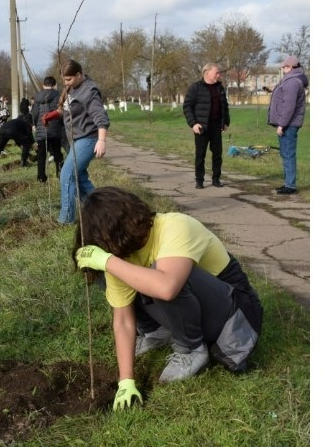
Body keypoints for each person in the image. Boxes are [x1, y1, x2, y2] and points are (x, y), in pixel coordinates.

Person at [73, 187, 262, 408]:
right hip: (200, 307)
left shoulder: (175, 226)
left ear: (117, 231)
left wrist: (108, 262)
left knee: (158, 275)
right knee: (129, 273)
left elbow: (167, 287)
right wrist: (126, 381)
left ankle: (191, 350)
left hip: (236, 310)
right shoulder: (123, 254)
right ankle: (157, 332)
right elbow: (123, 319)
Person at [56, 59, 109, 224]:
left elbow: (100, 116)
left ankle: (66, 220)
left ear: (79, 74)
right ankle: (102, 213)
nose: (66, 83)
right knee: (79, 179)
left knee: (67, 175)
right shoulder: (74, 88)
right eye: (64, 80)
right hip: (77, 139)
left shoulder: (89, 91)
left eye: (69, 79)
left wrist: (101, 140)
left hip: (88, 139)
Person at [183, 63, 230, 188]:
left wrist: (226, 122)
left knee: (217, 154)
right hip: (201, 127)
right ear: (207, 73)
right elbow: (187, 107)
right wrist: (193, 124)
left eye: (219, 72)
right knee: (200, 155)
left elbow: (225, 106)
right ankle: (199, 180)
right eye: (216, 72)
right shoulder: (196, 88)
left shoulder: (220, 88)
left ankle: (216, 179)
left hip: (216, 126)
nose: (219, 75)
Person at [267, 56, 308, 195]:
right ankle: (287, 183)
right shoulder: (291, 80)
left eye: (285, 67)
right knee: (285, 154)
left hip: (289, 124)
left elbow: (289, 106)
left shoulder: (292, 82)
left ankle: (290, 185)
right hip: (287, 124)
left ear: (291, 67)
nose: (283, 69)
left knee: (288, 154)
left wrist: (281, 125)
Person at [32, 75, 61, 182]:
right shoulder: (58, 95)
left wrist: (34, 124)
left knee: (41, 155)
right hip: (55, 128)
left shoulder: (37, 96)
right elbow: (61, 111)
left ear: (44, 85)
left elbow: (35, 113)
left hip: (41, 129)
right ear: (54, 85)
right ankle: (60, 174)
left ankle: (41, 177)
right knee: (57, 153)